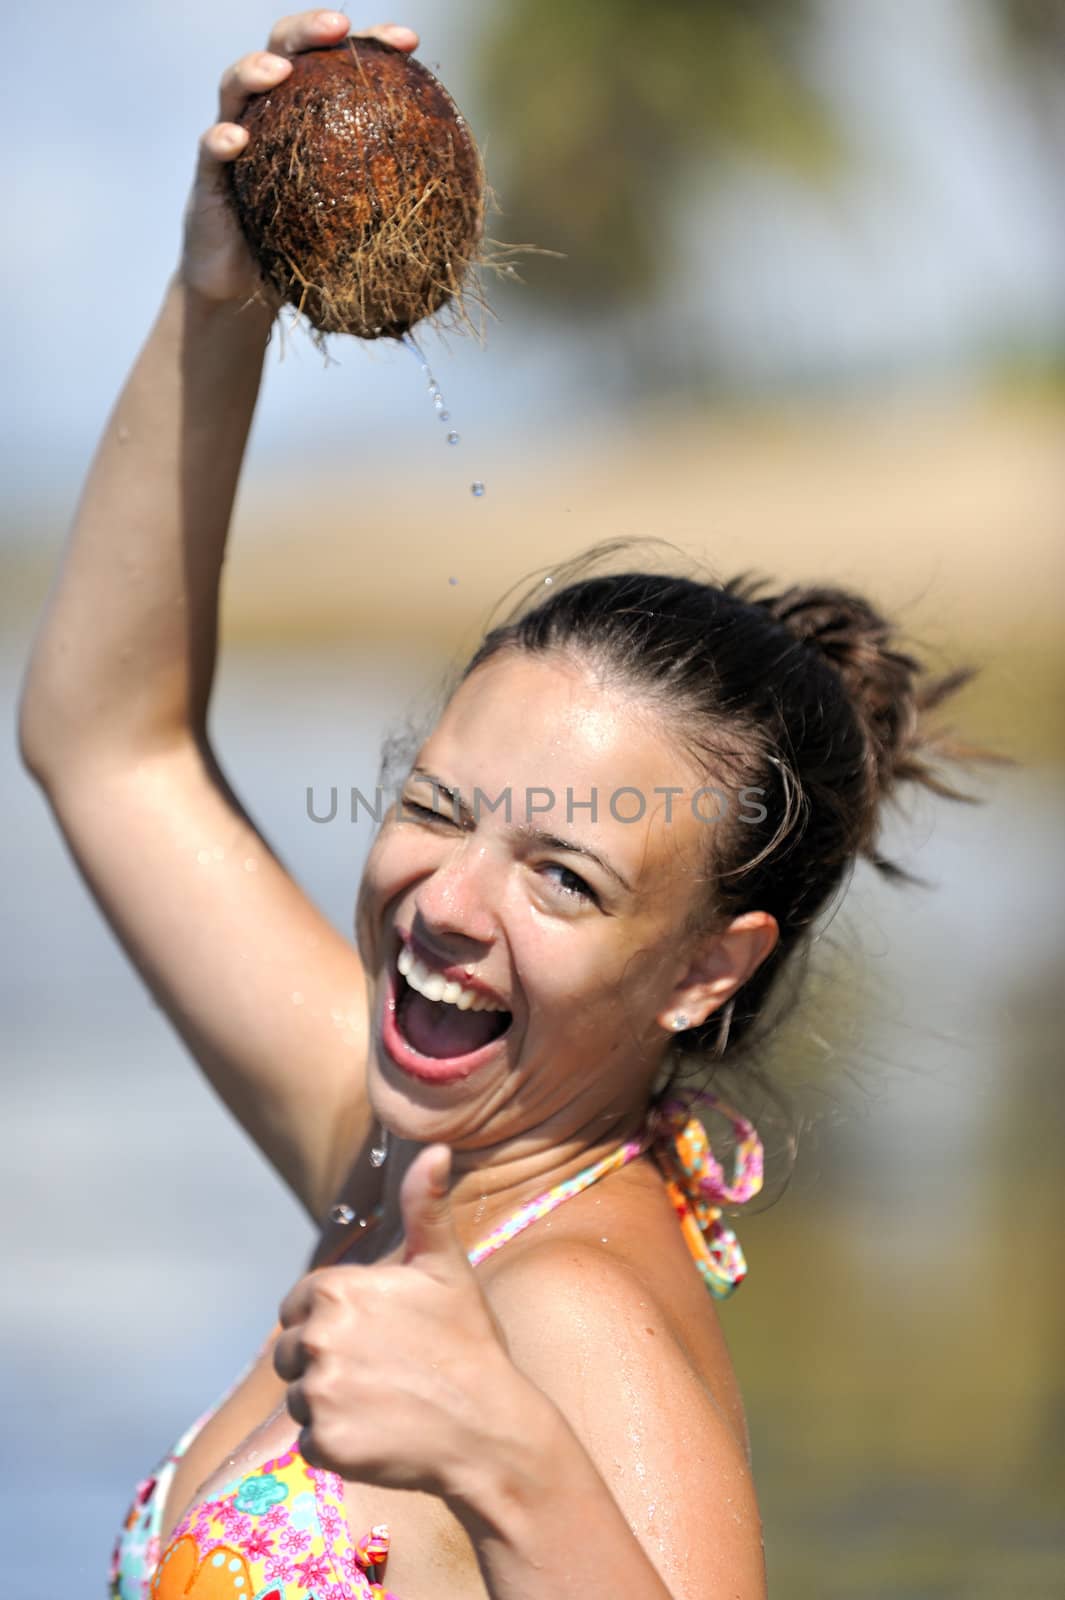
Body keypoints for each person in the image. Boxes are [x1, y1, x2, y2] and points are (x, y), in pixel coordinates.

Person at [18, 12, 992, 1599]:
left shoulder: (580, 1319)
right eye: (438, 807)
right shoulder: (396, 1151)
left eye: (564, 878)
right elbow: (105, 745)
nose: (447, 903)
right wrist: (221, 305)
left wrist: (509, 1467)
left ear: (705, 967)